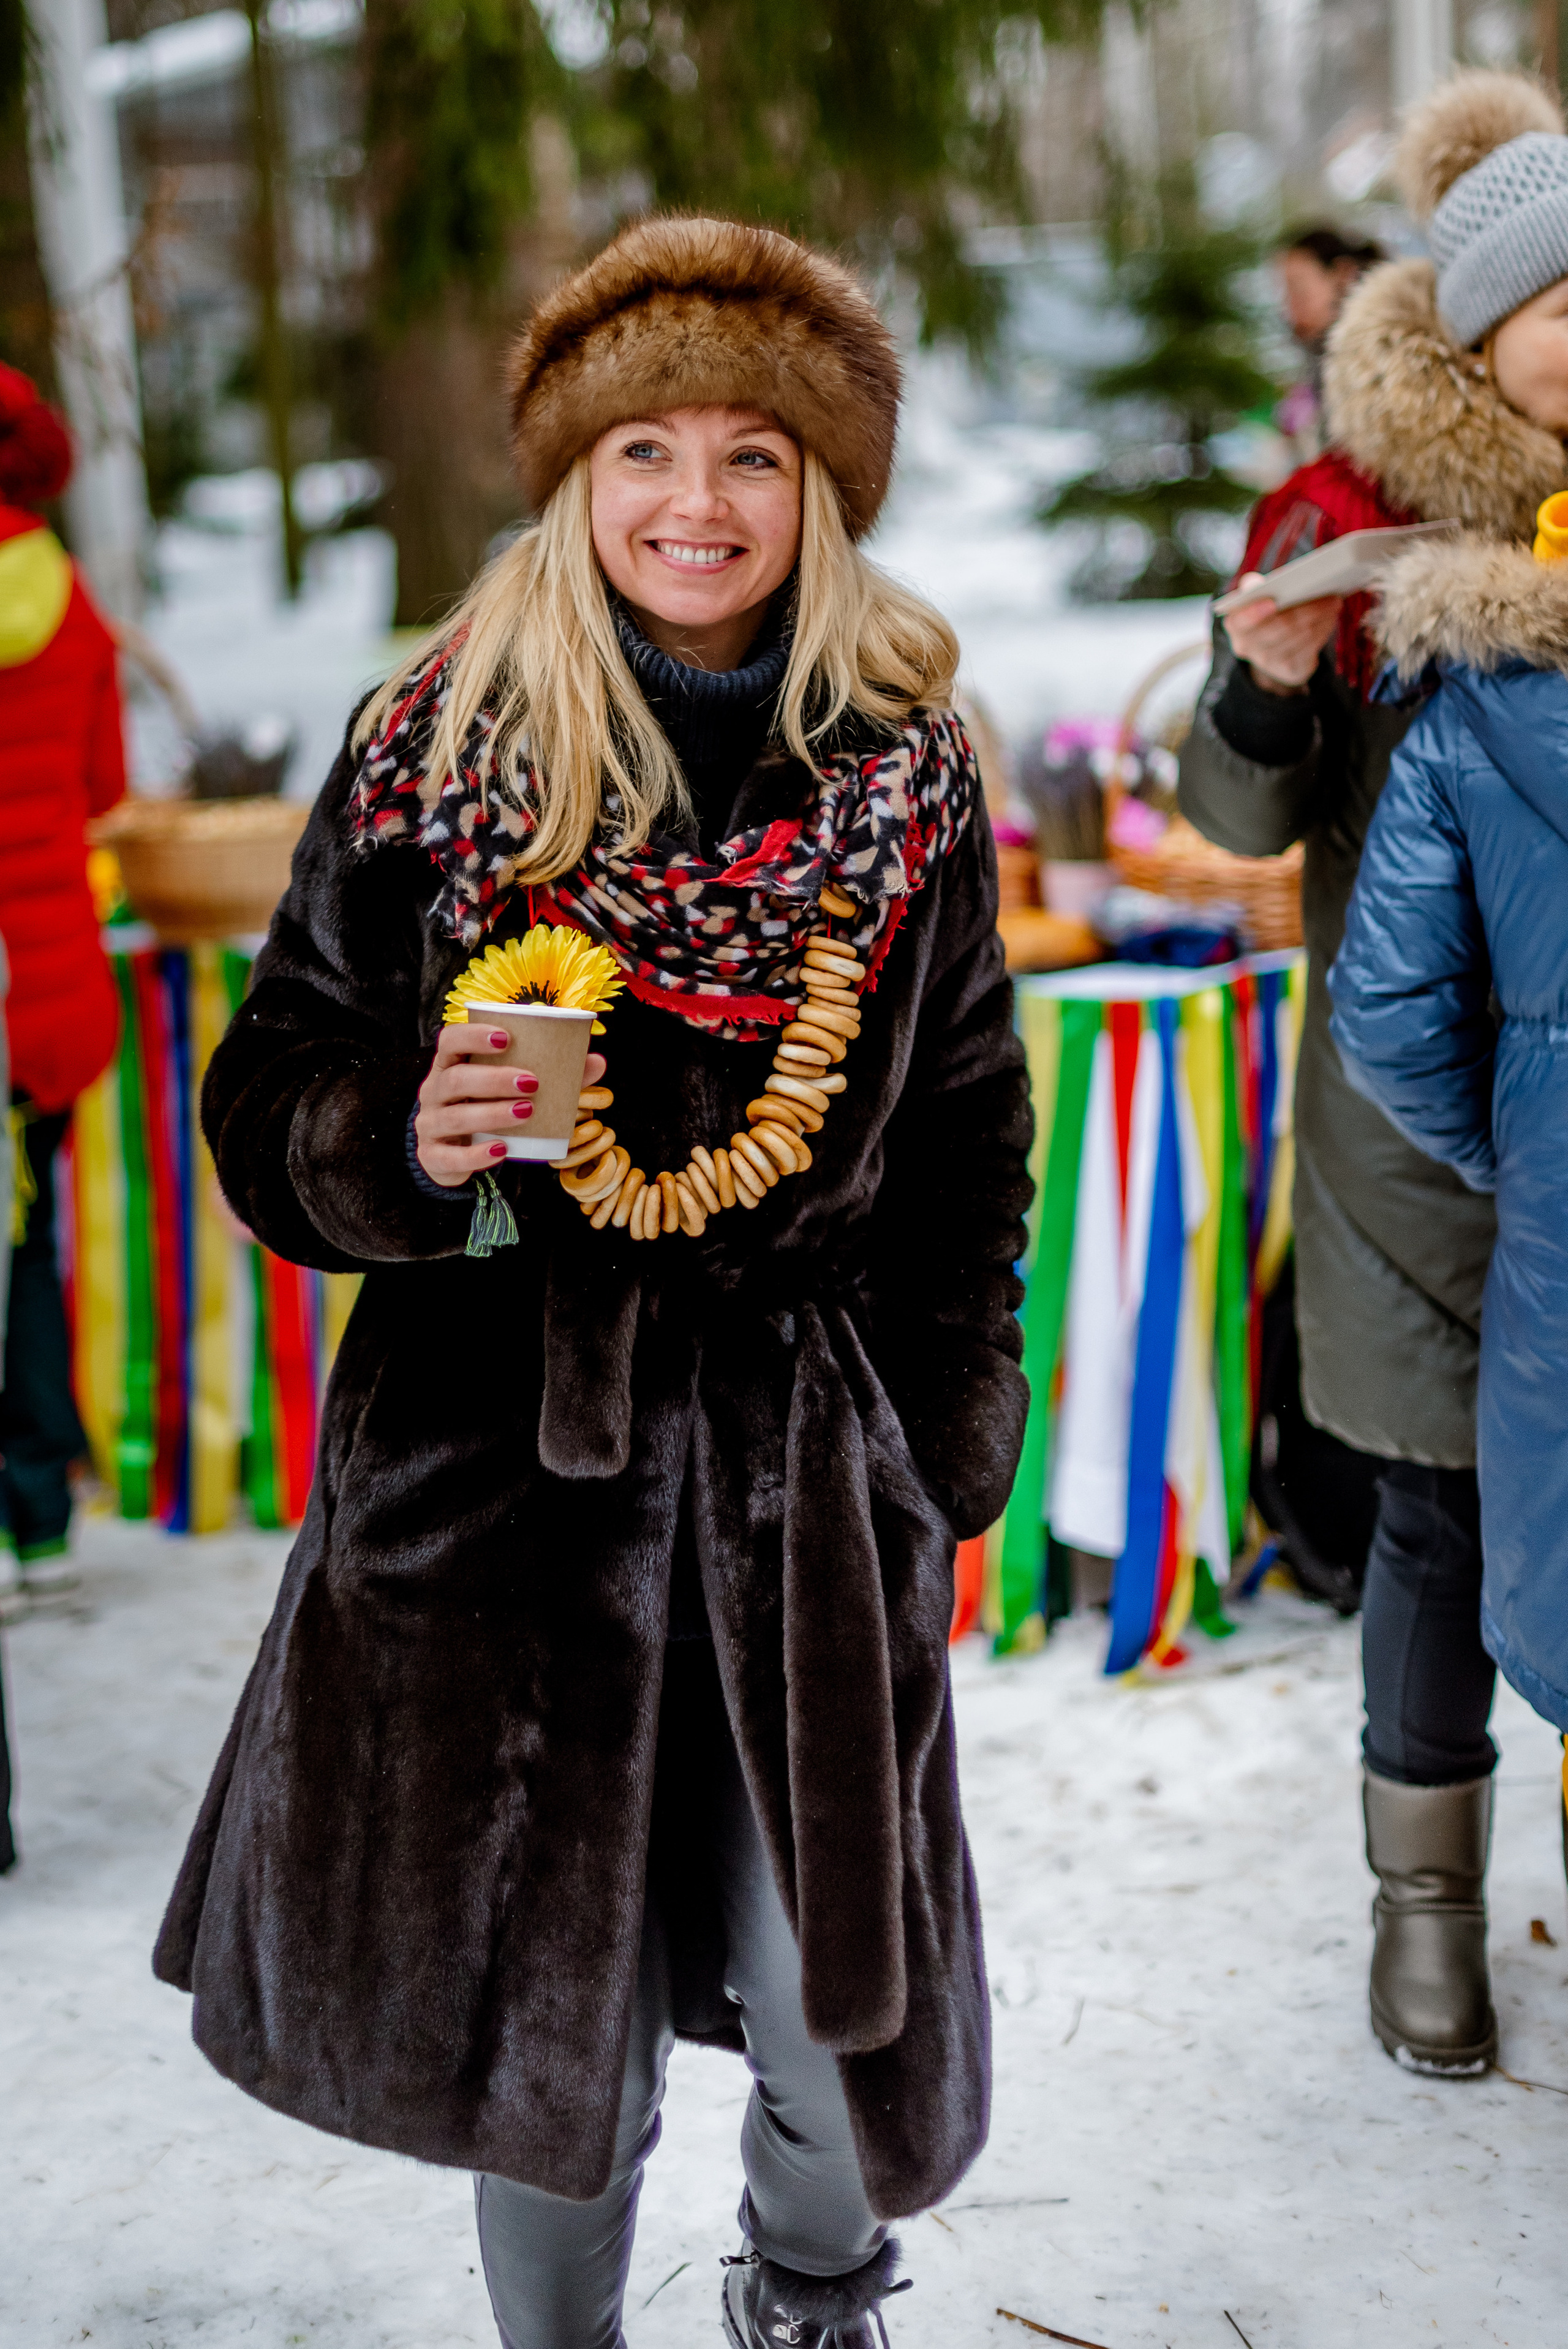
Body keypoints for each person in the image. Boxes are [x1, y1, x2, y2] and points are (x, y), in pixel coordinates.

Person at [153, 217, 1032, 2349]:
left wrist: (936, 1450)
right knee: (539, 2020)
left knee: (836, 1996)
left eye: (753, 454)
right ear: (571, 482)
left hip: (797, 1482)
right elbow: (273, 1080)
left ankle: (815, 2291)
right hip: (490, 1470)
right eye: (645, 449)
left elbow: (973, 1140)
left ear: (821, 493)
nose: (696, 503)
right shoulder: (429, 754)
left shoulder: (903, 771)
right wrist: (401, 1144)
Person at [1178, 68, 1568, 2077]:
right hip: (1416, 1123)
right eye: (1566, 301)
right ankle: (1426, 1907)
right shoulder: (1346, 522)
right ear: (1483, 330)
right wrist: (1259, 684)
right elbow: (1239, 815)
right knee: (1436, 1506)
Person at [0, 364, 126, 1594]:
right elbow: (101, 793)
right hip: (45, 982)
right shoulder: (72, 605)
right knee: (25, 1238)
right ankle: (37, 1512)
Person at [1273, 224, 1387, 459]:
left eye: (1299, 289)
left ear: (1343, 275)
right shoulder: (1319, 362)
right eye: (1284, 293)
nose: (1289, 308)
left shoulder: (1380, 360)